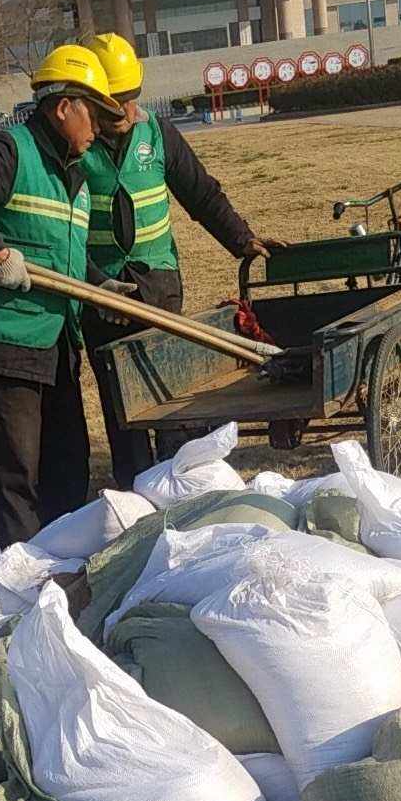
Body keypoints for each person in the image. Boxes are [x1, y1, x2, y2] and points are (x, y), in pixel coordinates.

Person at [0, 44, 128, 545]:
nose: (100, 128)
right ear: (64, 107)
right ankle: (23, 574)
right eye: (95, 115)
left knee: (69, 461)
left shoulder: (74, 174)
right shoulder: (10, 151)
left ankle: (61, 561)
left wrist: (103, 285)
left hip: (56, 340)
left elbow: (61, 247)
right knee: (19, 473)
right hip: (4, 339)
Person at [79, 31, 282, 487]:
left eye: (132, 98)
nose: (127, 111)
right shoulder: (75, 146)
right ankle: (135, 485)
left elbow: (200, 191)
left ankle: (177, 477)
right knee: (120, 401)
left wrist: (241, 239)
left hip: (158, 283)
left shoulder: (156, 133)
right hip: (99, 293)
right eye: (116, 102)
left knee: (166, 388)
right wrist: (93, 286)